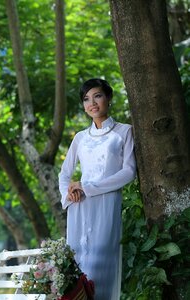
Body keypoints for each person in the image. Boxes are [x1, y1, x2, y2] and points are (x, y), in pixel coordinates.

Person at [58, 78, 136, 300]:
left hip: (106, 205)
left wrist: (87, 187)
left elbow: (128, 172)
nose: (92, 103)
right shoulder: (80, 138)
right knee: (78, 266)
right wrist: (69, 193)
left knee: (102, 265)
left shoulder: (124, 132)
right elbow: (64, 173)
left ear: (109, 98)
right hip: (79, 207)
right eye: (86, 99)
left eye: (97, 96)